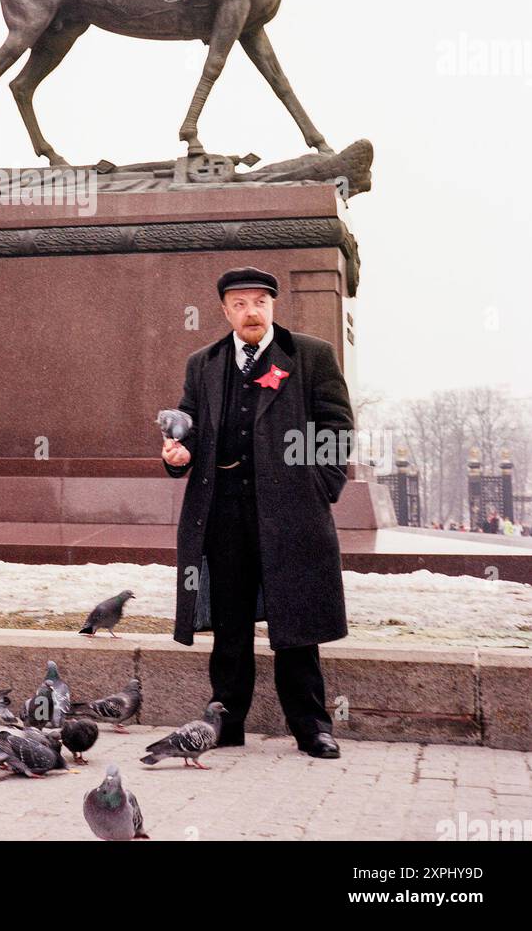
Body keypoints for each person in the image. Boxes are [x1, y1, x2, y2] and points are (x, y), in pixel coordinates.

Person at [161, 266, 354, 759]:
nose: (252, 312)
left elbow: (335, 425)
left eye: (261, 302)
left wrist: (320, 486)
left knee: (297, 620)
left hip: (291, 512)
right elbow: (189, 424)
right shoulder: (203, 363)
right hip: (223, 512)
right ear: (225, 311)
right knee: (230, 620)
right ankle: (225, 719)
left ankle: (311, 724)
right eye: (241, 303)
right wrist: (179, 451)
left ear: (272, 307)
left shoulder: (309, 355)